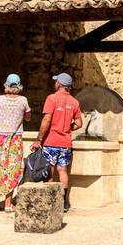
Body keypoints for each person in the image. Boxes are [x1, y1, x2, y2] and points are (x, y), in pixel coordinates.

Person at [33, 72, 82, 211]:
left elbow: (47, 119)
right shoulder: (74, 102)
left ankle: (49, 201)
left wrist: (38, 139)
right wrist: (67, 128)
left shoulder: (51, 98)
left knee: (50, 170)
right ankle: (64, 203)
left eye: (56, 82)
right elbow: (79, 123)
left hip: (51, 141)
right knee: (62, 171)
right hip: (65, 142)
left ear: (59, 84)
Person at [0, 73, 31, 213]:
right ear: (19, 86)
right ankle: (8, 203)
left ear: (6, 85)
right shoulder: (23, 101)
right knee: (11, 169)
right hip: (15, 140)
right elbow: (28, 118)